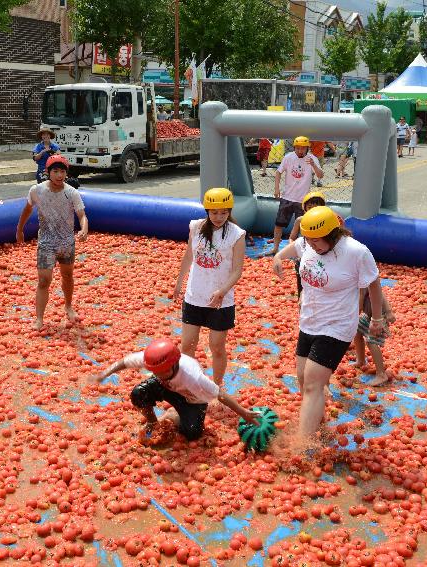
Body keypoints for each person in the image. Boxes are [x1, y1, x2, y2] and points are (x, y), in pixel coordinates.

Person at [272, 206, 385, 441]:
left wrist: (377, 317)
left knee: (313, 383)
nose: (312, 245)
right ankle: (318, 426)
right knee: (303, 380)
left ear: (333, 235)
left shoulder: (356, 252)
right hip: (309, 320)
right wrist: (278, 257)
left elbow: (373, 283)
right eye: (309, 241)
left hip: (338, 325)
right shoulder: (307, 243)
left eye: (317, 241)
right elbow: (295, 247)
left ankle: (303, 445)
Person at [89, 338, 260, 441]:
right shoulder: (153, 359)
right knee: (139, 393)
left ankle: (174, 415)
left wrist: (243, 412)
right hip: (167, 389)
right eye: (153, 371)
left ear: (173, 364)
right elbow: (125, 362)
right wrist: (104, 374)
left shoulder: (193, 377)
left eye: (161, 371)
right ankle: (152, 422)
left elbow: (220, 394)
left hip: (193, 400)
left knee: (192, 433)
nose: (157, 373)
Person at [172, 188, 246, 386]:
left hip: (221, 301)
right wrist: (179, 283)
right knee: (187, 345)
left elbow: (237, 270)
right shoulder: (196, 227)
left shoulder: (236, 234)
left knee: (217, 346)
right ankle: (187, 383)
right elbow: (189, 256)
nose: (219, 217)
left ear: (230, 211)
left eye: (224, 212)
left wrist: (222, 291)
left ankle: (216, 386)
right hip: (195, 295)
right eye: (214, 212)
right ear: (207, 210)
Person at [16, 155, 88, 330]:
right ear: (48, 172)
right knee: (43, 280)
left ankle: (68, 306)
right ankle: (39, 318)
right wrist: (19, 229)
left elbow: (82, 215)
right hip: (47, 242)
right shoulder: (37, 190)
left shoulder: (71, 193)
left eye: (62, 171)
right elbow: (27, 209)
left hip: (66, 242)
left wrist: (84, 228)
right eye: (55, 171)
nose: (59, 175)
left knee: (68, 276)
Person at [265, 136, 323, 256]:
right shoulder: (288, 157)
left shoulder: (312, 158)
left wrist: (314, 165)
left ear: (307, 148)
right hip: (287, 197)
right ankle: (275, 248)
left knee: (304, 226)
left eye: (303, 148)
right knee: (279, 224)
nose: (300, 151)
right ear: (294, 148)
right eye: (298, 148)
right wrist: (276, 188)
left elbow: (320, 175)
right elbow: (278, 172)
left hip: (303, 200)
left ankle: (301, 251)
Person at [288, 191, 327, 300]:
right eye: (310, 207)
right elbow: (292, 238)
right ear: (304, 208)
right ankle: (302, 305)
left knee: (320, 285)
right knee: (302, 285)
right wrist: (295, 253)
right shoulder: (300, 220)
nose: (313, 210)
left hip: (320, 259)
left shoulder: (326, 221)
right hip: (303, 258)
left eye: (316, 207)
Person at [353, 287, 396, 386]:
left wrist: (389, 312)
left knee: (371, 341)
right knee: (357, 331)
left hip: (379, 317)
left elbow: (379, 293)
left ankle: (381, 374)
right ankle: (361, 360)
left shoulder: (365, 277)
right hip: (368, 314)